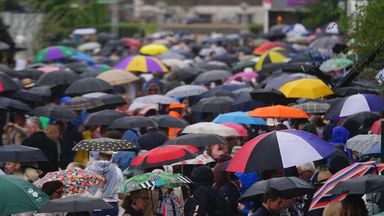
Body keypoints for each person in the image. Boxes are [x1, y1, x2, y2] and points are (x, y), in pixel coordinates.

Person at [86, 151, 124, 216]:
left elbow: (86, 187)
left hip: (95, 204)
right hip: (111, 204)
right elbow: (121, 188)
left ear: (99, 154)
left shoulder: (88, 169)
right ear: (111, 156)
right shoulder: (117, 170)